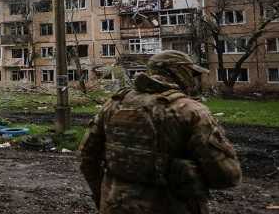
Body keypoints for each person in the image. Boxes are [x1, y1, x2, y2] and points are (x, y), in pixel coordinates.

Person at [79, 50, 242, 214]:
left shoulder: (113, 105)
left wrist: (102, 196)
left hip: (115, 206)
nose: (194, 80)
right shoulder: (191, 111)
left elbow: (87, 157)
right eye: (192, 74)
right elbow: (227, 176)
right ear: (179, 72)